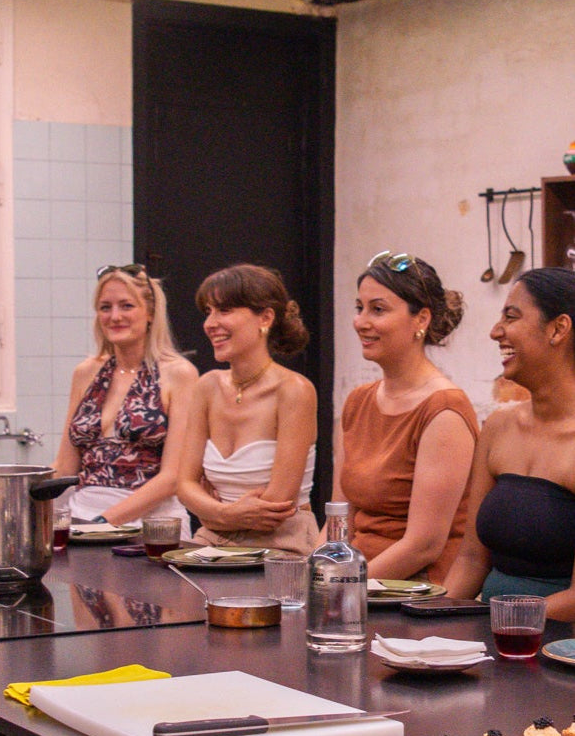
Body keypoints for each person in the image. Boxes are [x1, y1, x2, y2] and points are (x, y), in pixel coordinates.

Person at [334, 251, 477, 582]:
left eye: (378, 309)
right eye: (360, 308)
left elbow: (423, 546)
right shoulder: (358, 401)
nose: (361, 321)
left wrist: (341, 587)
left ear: (421, 320)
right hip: (355, 583)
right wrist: (313, 573)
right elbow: (339, 519)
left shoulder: (444, 410)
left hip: (412, 593)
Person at [445, 268, 575, 613]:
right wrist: (428, 622)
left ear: (558, 329)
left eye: (511, 316)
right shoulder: (499, 425)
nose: (495, 331)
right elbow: (472, 560)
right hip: (493, 634)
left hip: (555, 648)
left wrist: (505, 622)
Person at [178, 264, 318, 554]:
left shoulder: (294, 390)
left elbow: (275, 506)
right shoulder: (207, 386)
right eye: (208, 312)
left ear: (265, 317)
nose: (210, 323)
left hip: (282, 544)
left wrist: (210, 512)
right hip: (211, 538)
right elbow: (184, 485)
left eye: (224, 310)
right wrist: (221, 515)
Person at [53, 264, 198, 526]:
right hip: (81, 516)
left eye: (126, 306)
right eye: (105, 307)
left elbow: (174, 477)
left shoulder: (179, 374)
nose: (115, 316)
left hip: (151, 525)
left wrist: (103, 523)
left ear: (150, 312)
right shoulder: (86, 373)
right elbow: (65, 466)